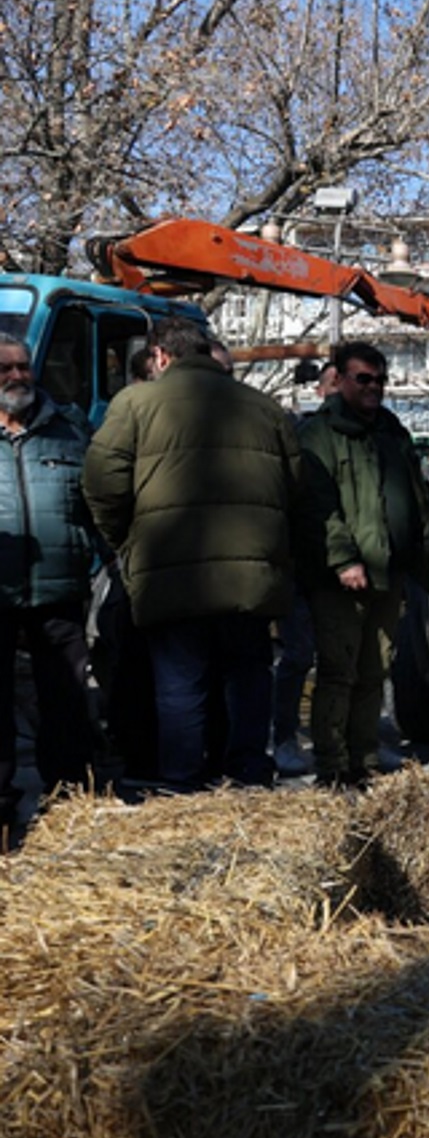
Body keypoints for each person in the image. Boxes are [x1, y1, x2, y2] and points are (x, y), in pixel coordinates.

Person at [81, 318, 305, 792]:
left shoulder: (136, 403)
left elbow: (101, 481)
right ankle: (246, 775)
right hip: (251, 574)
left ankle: (183, 785)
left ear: (160, 356)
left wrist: (125, 540)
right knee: (248, 676)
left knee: (181, 685)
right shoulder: (264, 408)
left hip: (170, 568)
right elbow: (296, 487)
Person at [296, 342, 429, 789]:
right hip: (342, 577)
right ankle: (332, 764)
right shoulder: (319, 433)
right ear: (338, 380)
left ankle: (364, 757)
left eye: (380, 379)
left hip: (389, 573)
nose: (374, 387)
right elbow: (316, 506)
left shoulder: (391, 430)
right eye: (364, 379)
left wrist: (420, 555)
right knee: (339, 671)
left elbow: (414, 497)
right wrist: (343, 559)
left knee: (376, 671)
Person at [0, 339, 106, 841]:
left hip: (60, 589)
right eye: (6, 368)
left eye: (24, 366)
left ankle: (69, 802)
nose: (18, 376)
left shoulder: (68, 429)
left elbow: (96, 502)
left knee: (65, 702)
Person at [273, 358, 339, 777]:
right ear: (320, 389)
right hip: (298, 562)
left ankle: (339, 741)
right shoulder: (299, 434)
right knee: (297, 656)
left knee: (342, 660)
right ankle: (283, 738)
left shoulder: (375, 434)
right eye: (333, 383)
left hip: (341, 565)